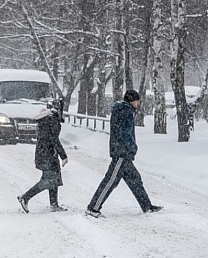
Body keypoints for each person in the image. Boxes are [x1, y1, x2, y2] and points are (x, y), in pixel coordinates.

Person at [86, 90, 163, 218]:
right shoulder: (126, 112)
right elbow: (125, 134)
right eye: (137, 101)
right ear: (132, 101)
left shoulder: (121, 110)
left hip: (122, 153)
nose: (138, 104)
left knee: (135, 180)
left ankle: (147, 206)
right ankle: (93, 208)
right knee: (110, 181)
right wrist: (133, 147)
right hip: (121, 153)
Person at [17, 103, 68, 213]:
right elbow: (54, 139)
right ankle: (25, 197)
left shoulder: (46, 119)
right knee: (48, 180)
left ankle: (54, 204)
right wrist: (63, 156)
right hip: (48, 155)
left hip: (44, 153)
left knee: (54, 178)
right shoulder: (51, 120)